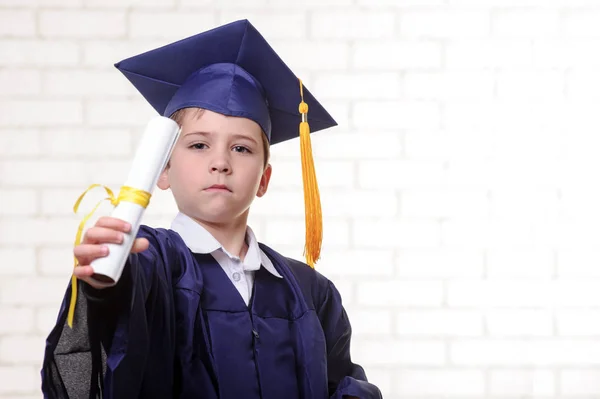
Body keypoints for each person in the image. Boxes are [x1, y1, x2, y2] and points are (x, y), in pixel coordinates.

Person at [41, 19, 382, 399]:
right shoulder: (151, 263)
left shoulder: (310, 291)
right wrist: (106, 286)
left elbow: (339, 383)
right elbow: (112, 334)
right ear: (163, 169)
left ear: (264, 180)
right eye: (199, 145)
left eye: (242, 148)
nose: (220, 162)